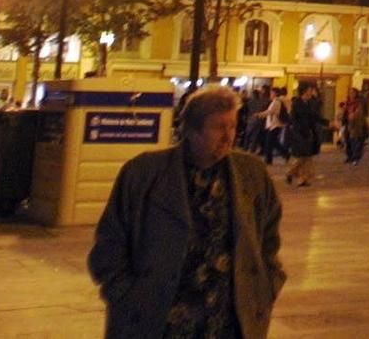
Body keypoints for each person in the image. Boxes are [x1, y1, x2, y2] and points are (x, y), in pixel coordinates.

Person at [89, 85, 284, 337]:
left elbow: (269, 238)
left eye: (232, 126)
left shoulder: (252, 174)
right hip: (160, 321)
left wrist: (266, 287)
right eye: (218, 127)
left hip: (228, 323)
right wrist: (127, 295)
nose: (228, 136)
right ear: (191, 131)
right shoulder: (144, 174)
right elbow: (110, 243)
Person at [285, 82, 325, 187]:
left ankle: (302, 179)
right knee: (303, 156)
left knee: (307, 157)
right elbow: (293, 119)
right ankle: (291, 173)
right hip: (299, 133)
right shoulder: (297, 103)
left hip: (308, 133)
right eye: (309, 90)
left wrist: (328, 123)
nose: (311, 92)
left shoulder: (310, 103)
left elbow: (315, 117)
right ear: (304, 91)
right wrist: (297, 130)